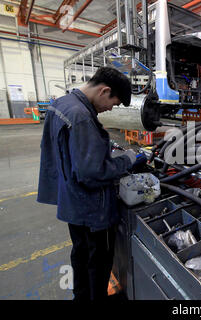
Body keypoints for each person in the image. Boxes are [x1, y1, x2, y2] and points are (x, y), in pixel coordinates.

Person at [37, 66, 137, 300]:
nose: (109, 109)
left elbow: (62, 154)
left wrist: (98, 148)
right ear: (105, 91)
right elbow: (92, 173)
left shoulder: (61, 104)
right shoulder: (81, 116)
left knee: (81, 255)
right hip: (94, 211)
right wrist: (127, 160)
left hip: (73, 203)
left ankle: (81, 297)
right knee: (98, 263)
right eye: (113, 103)